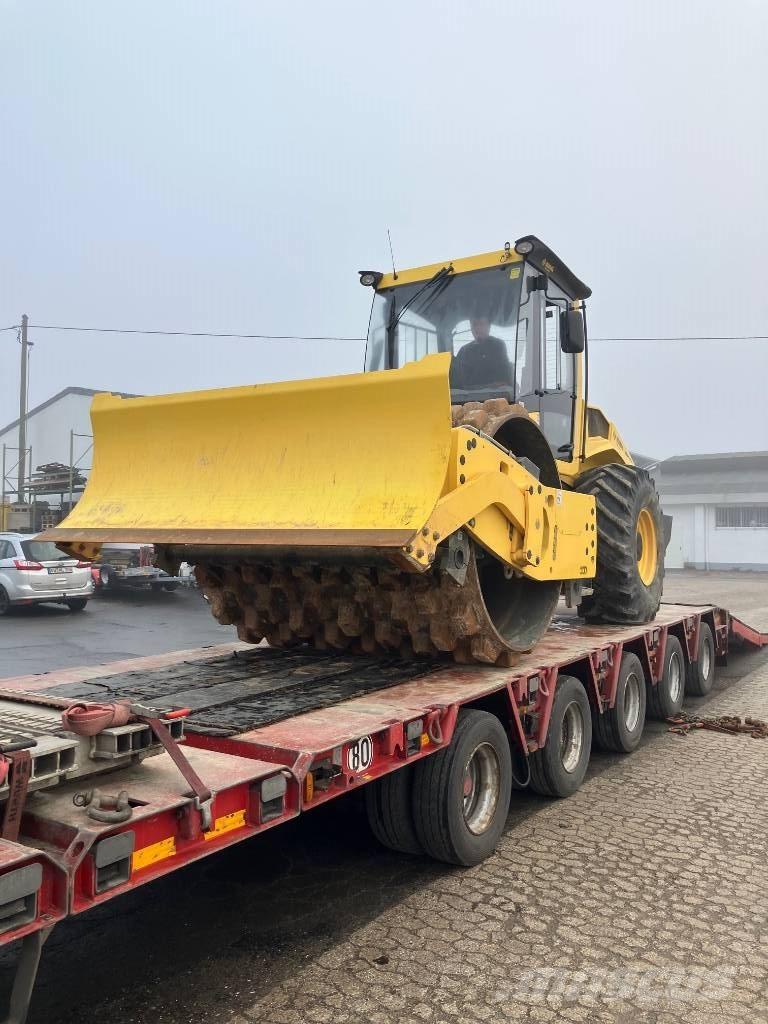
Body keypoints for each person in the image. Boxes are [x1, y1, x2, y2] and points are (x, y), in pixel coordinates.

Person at [450, 317, 513, 389]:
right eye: (474, 324)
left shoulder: (498, 345)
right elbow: (458, 384)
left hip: (493, 397)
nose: (477, 328)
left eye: (481, 324)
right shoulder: (463, 351)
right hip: (467, 398)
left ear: (489, 326)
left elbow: (503, 382)